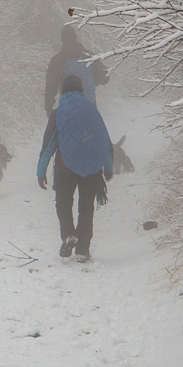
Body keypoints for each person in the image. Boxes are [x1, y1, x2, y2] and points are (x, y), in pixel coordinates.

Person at [37, 74, 114, 261]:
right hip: (92, 168)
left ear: (62, 90)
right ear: (81, 89)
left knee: (64, 204)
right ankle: (82, 250)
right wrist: (108, 166)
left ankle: (68, 235)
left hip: (65, 167)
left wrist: (41, 171)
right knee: (86, 208)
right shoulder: (92, 110)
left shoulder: (59, 112)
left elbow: (49, 145)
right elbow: (103, 139)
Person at [43, 23, 109, 116]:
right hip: (90, 106)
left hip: (68, 109)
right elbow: (105, 76)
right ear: (75, 37)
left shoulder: (57, 60)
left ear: (62, 40)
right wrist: (91, 82)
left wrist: (49, 109)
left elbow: (50, 87)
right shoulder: (88, 56)